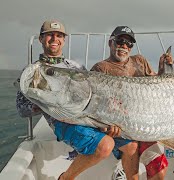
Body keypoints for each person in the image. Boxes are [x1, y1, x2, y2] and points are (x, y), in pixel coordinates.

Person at [16, 20, 137, 180]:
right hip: (63, 121)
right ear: (40, 39)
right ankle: (65, 178)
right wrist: (46, 101)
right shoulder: (34, 72)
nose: (54, 39)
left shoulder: (76, 66)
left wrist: (109, 120)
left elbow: (95, 95)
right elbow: (22, 109)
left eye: (59, 35)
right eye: (49, 35)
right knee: (106, 145)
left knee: (131, 146)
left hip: (88, 117)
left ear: (64, 40)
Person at [90, 26, 172, 180]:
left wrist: (163, 67)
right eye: (120, 42)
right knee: (132, 156)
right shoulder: (100, 69)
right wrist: (106, 125)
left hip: (144, 125)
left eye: (129, 44)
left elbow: (156, 86)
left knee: (160, 172)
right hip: (121, 129)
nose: (124, 46)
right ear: (110, 43)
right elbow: (96, 105)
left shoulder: (139, 61)